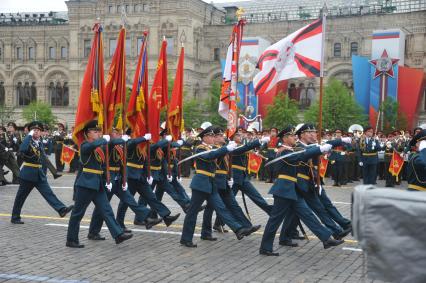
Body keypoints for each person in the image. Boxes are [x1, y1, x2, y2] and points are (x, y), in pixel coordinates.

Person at [259, 125, 344, 256]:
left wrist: (320, 149)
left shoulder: (291, 150)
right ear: (286, 138)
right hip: (283, 190)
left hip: (292, 190)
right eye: (292, 136)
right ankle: (265, 247)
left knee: (308, 215)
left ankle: (326, 238)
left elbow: (303, 152)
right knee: (275, 220)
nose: (295, 138)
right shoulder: (283, 151)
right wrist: (319, 149)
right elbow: (299, 155)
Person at [180, 126, 253, 248]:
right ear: (204, 137)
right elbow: (210, 156)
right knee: (192, 212)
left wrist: (229, 149)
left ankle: (238, 229)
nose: (213, 138)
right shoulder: (200, 148)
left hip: (211, 183)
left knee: (221, 208)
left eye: (214, 136)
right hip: (201, 183)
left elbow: (219, 154)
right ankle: (186, 238)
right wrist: (225, 148)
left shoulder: (212, 148)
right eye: (211, 136)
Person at [87, 127, 163, 240]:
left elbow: (122, 163)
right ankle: (93, 232)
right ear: (110, 134)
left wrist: (124, 179)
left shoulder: (119, 146)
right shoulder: (107, 143)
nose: (118, 134)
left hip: (117, 178)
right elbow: (115, 143)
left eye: (119, 133)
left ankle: (146, 218)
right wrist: (134, 138)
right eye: (115, 133)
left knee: (129, 199)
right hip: (107, 179)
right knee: (102, 207)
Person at [66, 120, 132, 248]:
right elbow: (94, 145)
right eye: (95, 131)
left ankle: (118, 234)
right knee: (78, 213)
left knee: (106, 210)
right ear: (88, 133)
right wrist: (104, 139)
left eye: (99, 131)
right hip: (86, 184)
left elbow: (111, 142)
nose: (99, 134)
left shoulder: (100, 147)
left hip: (98, 184)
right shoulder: (85, 145)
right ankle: (71, 239)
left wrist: (123, 139)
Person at [11, 121, 74, 224]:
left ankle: (61, 209)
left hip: (39, 173)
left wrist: (54, 172)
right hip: (28, 174)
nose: (36, 132)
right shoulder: (27, 141)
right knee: (21, 197)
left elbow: (44, 158)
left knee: (49, 193)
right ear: (30, 132)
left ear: (41, 132)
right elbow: (22, 150)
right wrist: (29, 136)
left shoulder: (39, 142)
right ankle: (15, 217)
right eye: (34, 130)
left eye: (38, 130)